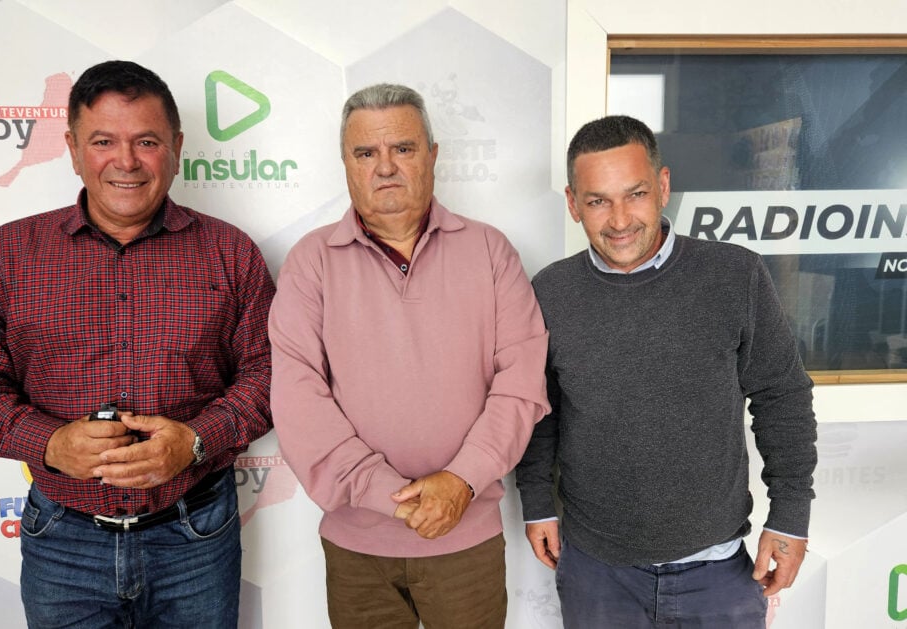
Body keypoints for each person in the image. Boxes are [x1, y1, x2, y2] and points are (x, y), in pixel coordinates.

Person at [0, 60, 274, 629]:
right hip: (62, 540)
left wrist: (195, 441)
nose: (126, 161)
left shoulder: (230, 252)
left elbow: (271, 373)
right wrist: (50, 443)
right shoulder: (7, 253)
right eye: (103, 141)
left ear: (176, 148)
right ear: (72, 149)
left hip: (195, 537)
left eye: (147, 141)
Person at [515, 115, 818, 628]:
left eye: (634, 194)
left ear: (663, 186)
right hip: (597, 572)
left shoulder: (734, 275)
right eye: (597, 201)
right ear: (572, 203)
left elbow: (781, 396)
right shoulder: (551, 291)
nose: (619, 220)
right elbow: (541, 411)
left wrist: (790, 517)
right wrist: (537, 502)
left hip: (718, 572)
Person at [268, 83, 550, 628]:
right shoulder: (311, 262)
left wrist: (461, 481)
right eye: (366, 153)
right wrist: (390, 496)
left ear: (433, 154)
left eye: (403, 148)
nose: (385, 167)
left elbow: (520, 384)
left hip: (465, 542)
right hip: (358, 552)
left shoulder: (490, 250)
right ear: (346, 163)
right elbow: (299, 401)